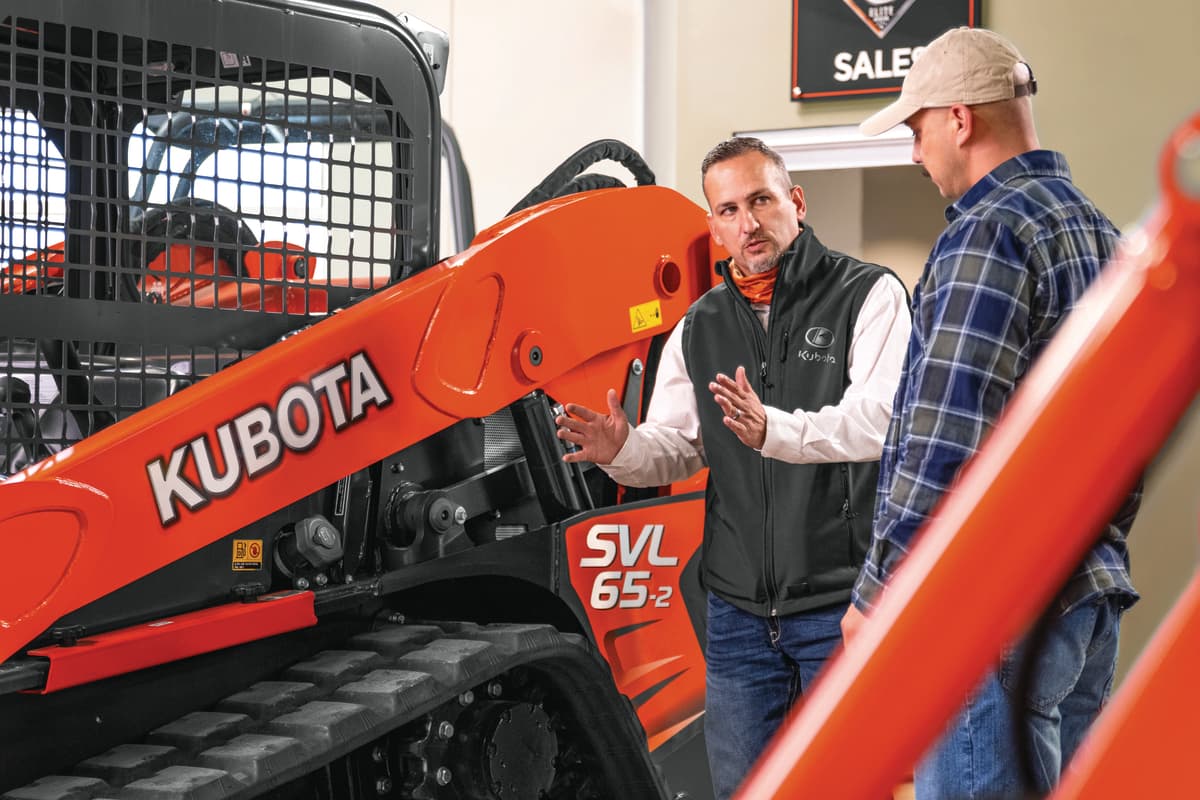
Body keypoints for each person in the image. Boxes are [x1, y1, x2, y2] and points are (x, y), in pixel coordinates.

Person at [555, 137, 911, 799]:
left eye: (761, 200)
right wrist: (623, 451)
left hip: (840, 606)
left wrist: (773, 429)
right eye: (728, 210)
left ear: (794, 203)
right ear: (713, 227)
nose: (748, 222)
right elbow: (678, 447)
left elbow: (882, 422)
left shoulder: (869, 296)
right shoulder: (699, 325)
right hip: (737, 617)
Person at [845, 26, 1142, 799]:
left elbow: (945, 437)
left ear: (959, 119)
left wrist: (877, 595)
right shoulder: (1098, 231)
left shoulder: (988, 231)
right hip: (1083, 604)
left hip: (994, 616)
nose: (914, 152)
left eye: (915, 129)